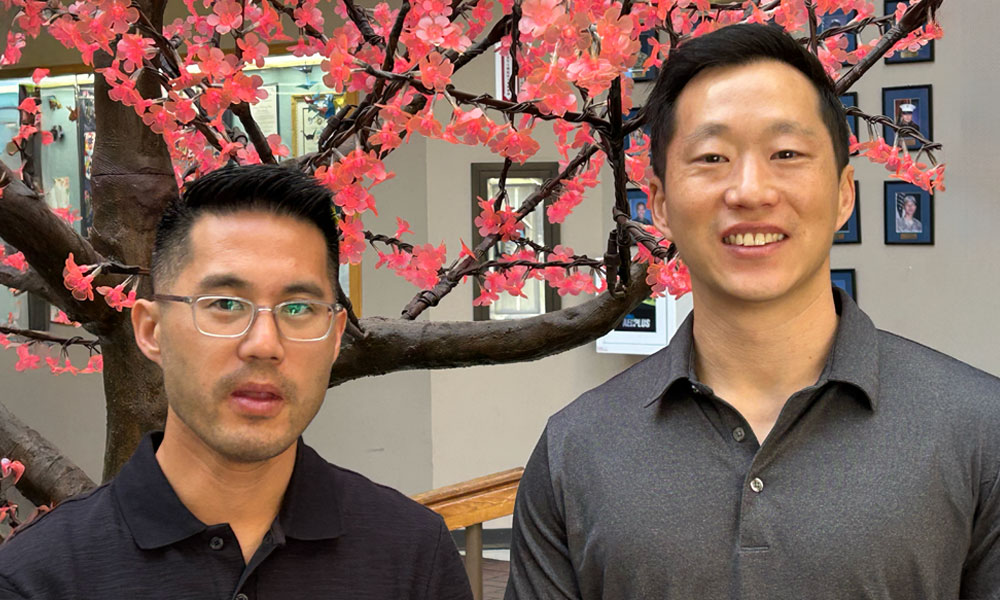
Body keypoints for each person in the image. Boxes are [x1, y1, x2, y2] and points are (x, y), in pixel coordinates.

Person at [506, 24, 1000, 600]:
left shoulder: (980, 429)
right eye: (712, 157)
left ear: (845, 193)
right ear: (659, 204)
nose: (750, 191)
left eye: (786, 154)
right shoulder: (575, 449)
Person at [0, 165, 473, 599]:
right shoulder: (35, 578)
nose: (264, 344)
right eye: (225, 305)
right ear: (151, 330)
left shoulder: (414, 555)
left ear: (334, 338)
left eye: (298, 308)